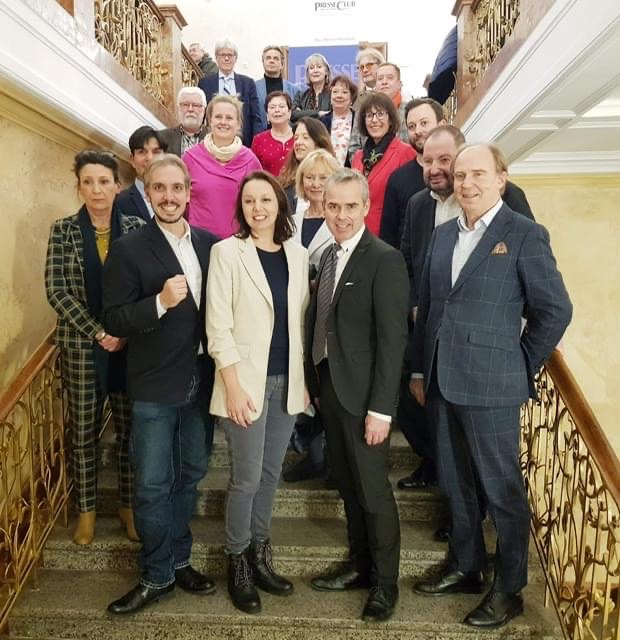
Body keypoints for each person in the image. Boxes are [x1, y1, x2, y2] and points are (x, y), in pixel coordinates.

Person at [411, 144, 572, 629]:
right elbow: (428, 309)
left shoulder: (523, 234)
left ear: (501, 179)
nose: (467, 184)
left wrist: (519, 363)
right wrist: (419, 369)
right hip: (441, 378)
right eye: (460, 175)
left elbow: (554, 310)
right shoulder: (442, 235)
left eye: (478, 174)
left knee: (502, 491)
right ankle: (467, 565)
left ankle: (509, 588)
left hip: (494, 386)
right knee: (455, 482)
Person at [103, 154, 218, 615]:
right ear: (148, 193)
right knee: (152, 484)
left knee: (191, 474)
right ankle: (156, 573)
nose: (169, 197)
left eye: (177, 188)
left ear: (189, 192)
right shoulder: (128, 248)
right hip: (153, 383)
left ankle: (179, 559)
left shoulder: (211, 245)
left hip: (200, 380)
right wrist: (158, 302)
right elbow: (114, 318)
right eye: (159, 188)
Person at [306, 169, 409, 623]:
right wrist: (315, 384)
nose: (341, 215)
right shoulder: (327, 255)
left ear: (366, 207)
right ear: (324, 207)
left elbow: (392, 340)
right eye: (333, 206)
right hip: (331, 388)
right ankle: (359, 565)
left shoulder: (384, 259)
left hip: (366, 397)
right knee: (348, 486)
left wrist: (381, 409)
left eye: (350, 206)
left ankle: (385, 584)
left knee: (372, 490)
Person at [206, 171, 309, 614]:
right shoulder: (226, 252)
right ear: (241, 207)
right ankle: (237, 561)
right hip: (245, 382)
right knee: (245, 478)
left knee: (270, 475)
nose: (258, 208)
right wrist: (231, 386)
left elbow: (302, 323)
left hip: (288, 381)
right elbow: (217, 326)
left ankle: (260, 553)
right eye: (249, 201)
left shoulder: (298, 255)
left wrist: (305, 383)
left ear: (280, 204)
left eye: (266, 199)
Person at [44, 150, 143, 546]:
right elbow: (57, 290)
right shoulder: (63, 230)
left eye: (104, 181)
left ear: (117, 186)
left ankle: (128, 508)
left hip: (129, 348)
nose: (97, 190)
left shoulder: (135, 227)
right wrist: (99, 332)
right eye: (88, 182)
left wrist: (124, 331)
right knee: (83, 432)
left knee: (130, 432)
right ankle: (85, 512)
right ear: (79, 187)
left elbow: (145, 286)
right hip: (83, 347)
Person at [283, 149, 339, 483]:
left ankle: (329, 459)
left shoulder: (341, 218)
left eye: (322, 177)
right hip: (295, 313)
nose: (315, 183)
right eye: (309, 177)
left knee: (324, 386)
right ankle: (312, 455)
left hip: (327, 316)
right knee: (302, 384)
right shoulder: (293, 218)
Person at [183, 95, 261, 238]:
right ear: (209, 121)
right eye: (218, 117)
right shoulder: (190, 158)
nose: (223, 122)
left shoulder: (251, 161)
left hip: (239, 242)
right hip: (199, 241)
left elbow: (260, 204)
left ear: (239, 124)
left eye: (229, 118)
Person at [380, 98, 446, 248]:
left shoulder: (458, 173)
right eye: (411, 126)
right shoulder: (398, 179)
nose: (418, 131)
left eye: (424, 123)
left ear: (442, 124)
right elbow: (388, 238)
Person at [351, 93, 416, 236]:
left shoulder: (405, 152)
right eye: (369, 115)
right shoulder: (358, 157)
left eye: (380, 114)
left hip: (389, 235)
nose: (374, 120)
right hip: (357, 232)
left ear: (390, 119)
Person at [198, 39, 262, 147]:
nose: (226, 58)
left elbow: (255, 117)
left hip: (242, 142)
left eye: (230, 55)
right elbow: (202, 115)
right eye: (222, 55)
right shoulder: (205, 83)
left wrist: (256, 144)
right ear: (216, 58)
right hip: (212, 141)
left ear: (235, 58)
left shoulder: (248, 83)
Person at [279, 117, 334, 213]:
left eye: (305, 137)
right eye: (296, 138)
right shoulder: (286, 181)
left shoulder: (334, 177)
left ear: (318, 142)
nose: (298, 142)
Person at [115, 126, 166, 222]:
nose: (149, 158)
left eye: (156, 152)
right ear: (132, 160)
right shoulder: (120, 202)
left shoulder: (177, 197)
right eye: (142, 152)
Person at [255, 45, 300, 130]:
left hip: (288, 133)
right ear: (263, 62)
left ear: (282, 65)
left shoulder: (294, 90)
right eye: (268, 58)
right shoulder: (253, 87)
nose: (271, 61)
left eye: (276, 58)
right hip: (260, 133)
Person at [251, 91, 294, 176]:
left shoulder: (299, 136)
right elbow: (253, 172)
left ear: (289, 112)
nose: (277, 110)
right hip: (267, 184)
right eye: (272, 107)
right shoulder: (259, 140)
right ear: (267, 115)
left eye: (281, 106)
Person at [320, 74, 358, 167]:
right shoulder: (321, 121)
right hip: (327, 171)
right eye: (335, 92)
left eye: (344, 92)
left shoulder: (359, 119)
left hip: (352, 172)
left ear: (351, 98)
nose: (339, 96)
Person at [158, 87, 208, 157]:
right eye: (185, 105)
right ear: (178, 108)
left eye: (195, 105)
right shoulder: (161, 137)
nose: (190, 109)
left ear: (204, 110)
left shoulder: (214, 137)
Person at [291, 53, 331, 122]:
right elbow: (293, 115)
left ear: (326, 71)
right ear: (308, 73)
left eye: (319, 67)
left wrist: (302, 113)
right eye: (311, 68)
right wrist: (318, 113)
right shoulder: (300, 95)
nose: (315, 71)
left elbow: (333, 114)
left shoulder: (333, 94)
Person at [375, 63, 408, 142]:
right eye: (380, 78)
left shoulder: (410, 110)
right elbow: (354, 146)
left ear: (399, 84)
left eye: (390, 78)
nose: (384, 82)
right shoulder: (364, 111)